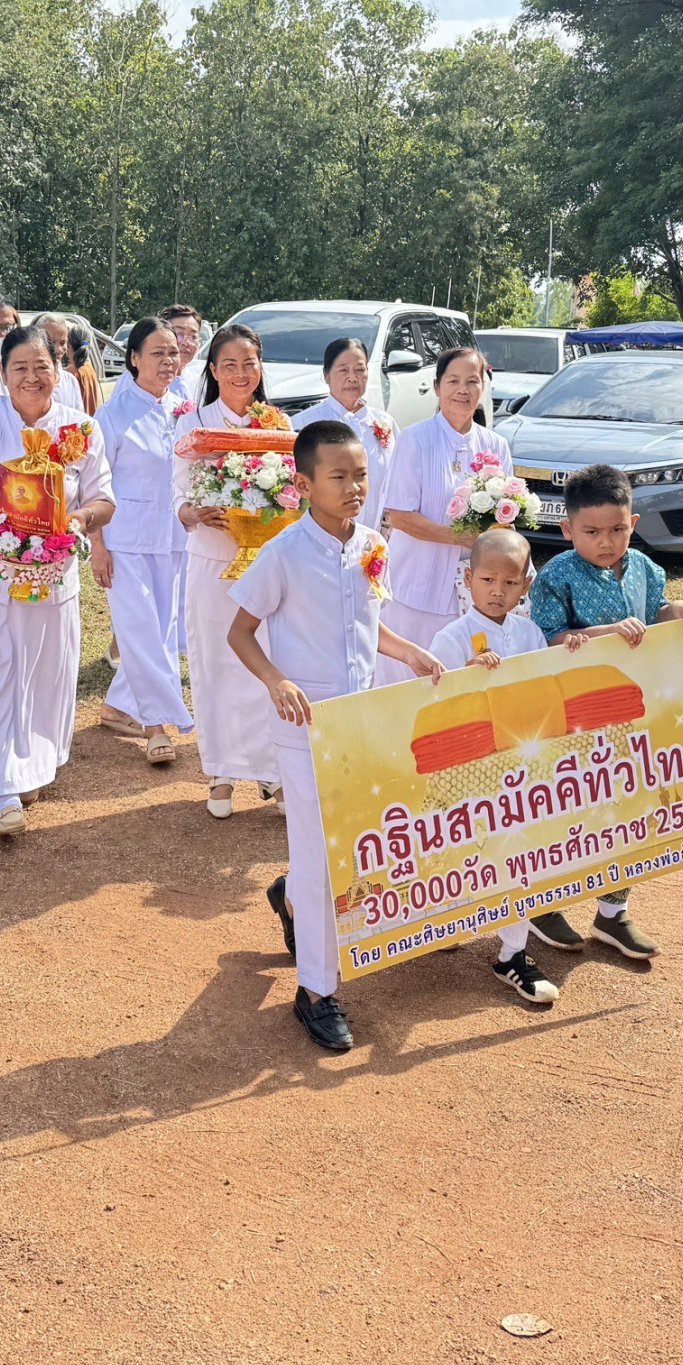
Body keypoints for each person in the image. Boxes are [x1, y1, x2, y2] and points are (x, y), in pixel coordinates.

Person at [229, 419, 444, 1051]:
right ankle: (317, 990)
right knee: (326, 857)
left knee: (345, 840)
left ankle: (289, 893)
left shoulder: (372, 543)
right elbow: (240, 631)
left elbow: (367, 622)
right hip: (305, 726)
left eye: (361, 476)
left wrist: (410, 654)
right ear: (303, 484)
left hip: (362, 722)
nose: (354, 487)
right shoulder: (283, 554)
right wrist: (276, 681)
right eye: (339, 477)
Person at [0, 323, 115, 837]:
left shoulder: (82, 428)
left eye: (42, 366)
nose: (32, 377)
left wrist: (77, 522)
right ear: (2, 372)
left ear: (58, 369)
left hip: (53, 579)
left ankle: (29, 767)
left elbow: (103, 499)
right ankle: (1, 786)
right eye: (20, 368)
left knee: (46, 675)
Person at [526, 463, 683, 961]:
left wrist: (679, 611)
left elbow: (657, 615)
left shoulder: (647, 570)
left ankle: (613, 914)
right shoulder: (555, 576)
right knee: (568, 812)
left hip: (634, 718)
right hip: (573, 723)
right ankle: (543, 905)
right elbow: (545, 641)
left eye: (616, 529)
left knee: (630, 808)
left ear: (633, 522)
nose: (605, 542)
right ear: (566, 530)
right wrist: (605, 634)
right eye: (591, 532)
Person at [424, 528, 559, 1005]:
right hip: (468, 772)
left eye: (509, 581)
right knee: (465, 853)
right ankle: (448, 922)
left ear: (525, 584)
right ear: (467, 579)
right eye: (487, 579)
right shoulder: (450, 637)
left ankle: (512, 952)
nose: (497, 591)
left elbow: (545, 687)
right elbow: (433, 701)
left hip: (522, 769)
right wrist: (466, 676)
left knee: (520, 855)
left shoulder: (530, 633)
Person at [174, 323, 286, 818]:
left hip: (269, 566)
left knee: (267, 664)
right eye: (230, 364)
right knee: (216, 665)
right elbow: (178, 495)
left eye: (250, 363)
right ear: (213, 370)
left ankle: (270, 772)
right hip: (212, 561)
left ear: (261, 368)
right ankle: (220, 773)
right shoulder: (192, 424)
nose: (241, 373)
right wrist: (196, 514)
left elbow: (295, 491)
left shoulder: (277, 424)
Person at [92, 317, 193, 763]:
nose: (168, 361)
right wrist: (97, 545)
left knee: (166, 628)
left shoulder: (185, 406)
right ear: (133, 359)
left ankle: (117, 707)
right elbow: (93, 486)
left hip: (174, 535)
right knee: (141, 632)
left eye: (173, 352)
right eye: (157, 352)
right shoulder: (111, 415)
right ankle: (157, 727)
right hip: (125, 540)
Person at [377, 346, 508, 684]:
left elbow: (506, 516)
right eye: (453, 381)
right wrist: (456, 537)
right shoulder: (415, 439)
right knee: (408, 680)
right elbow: (400, 515)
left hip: (472, 589)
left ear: (483, 388)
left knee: (464, 680)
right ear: (437, 387)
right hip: (416, 584)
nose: (462, 390)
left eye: (472, 382)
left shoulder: (495, 445)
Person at [291, 337, 398, 532]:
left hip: (373, 537)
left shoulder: (384, 422)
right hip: (318, 537)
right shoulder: (303, 423)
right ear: (326, 375)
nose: (352, 377)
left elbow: (398, 478)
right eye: (343, 370)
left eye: (359, 370)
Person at [32, 314, 86, 414]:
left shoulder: (70, 381)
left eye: (62, 343)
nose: (58, 349)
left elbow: (79, 420)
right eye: (51, 342)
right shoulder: (26, 382)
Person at [162, 304, 202, 407]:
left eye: (193, 337)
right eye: (179, 334)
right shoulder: (141, 379)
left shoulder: (200, 381)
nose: (186, 342)